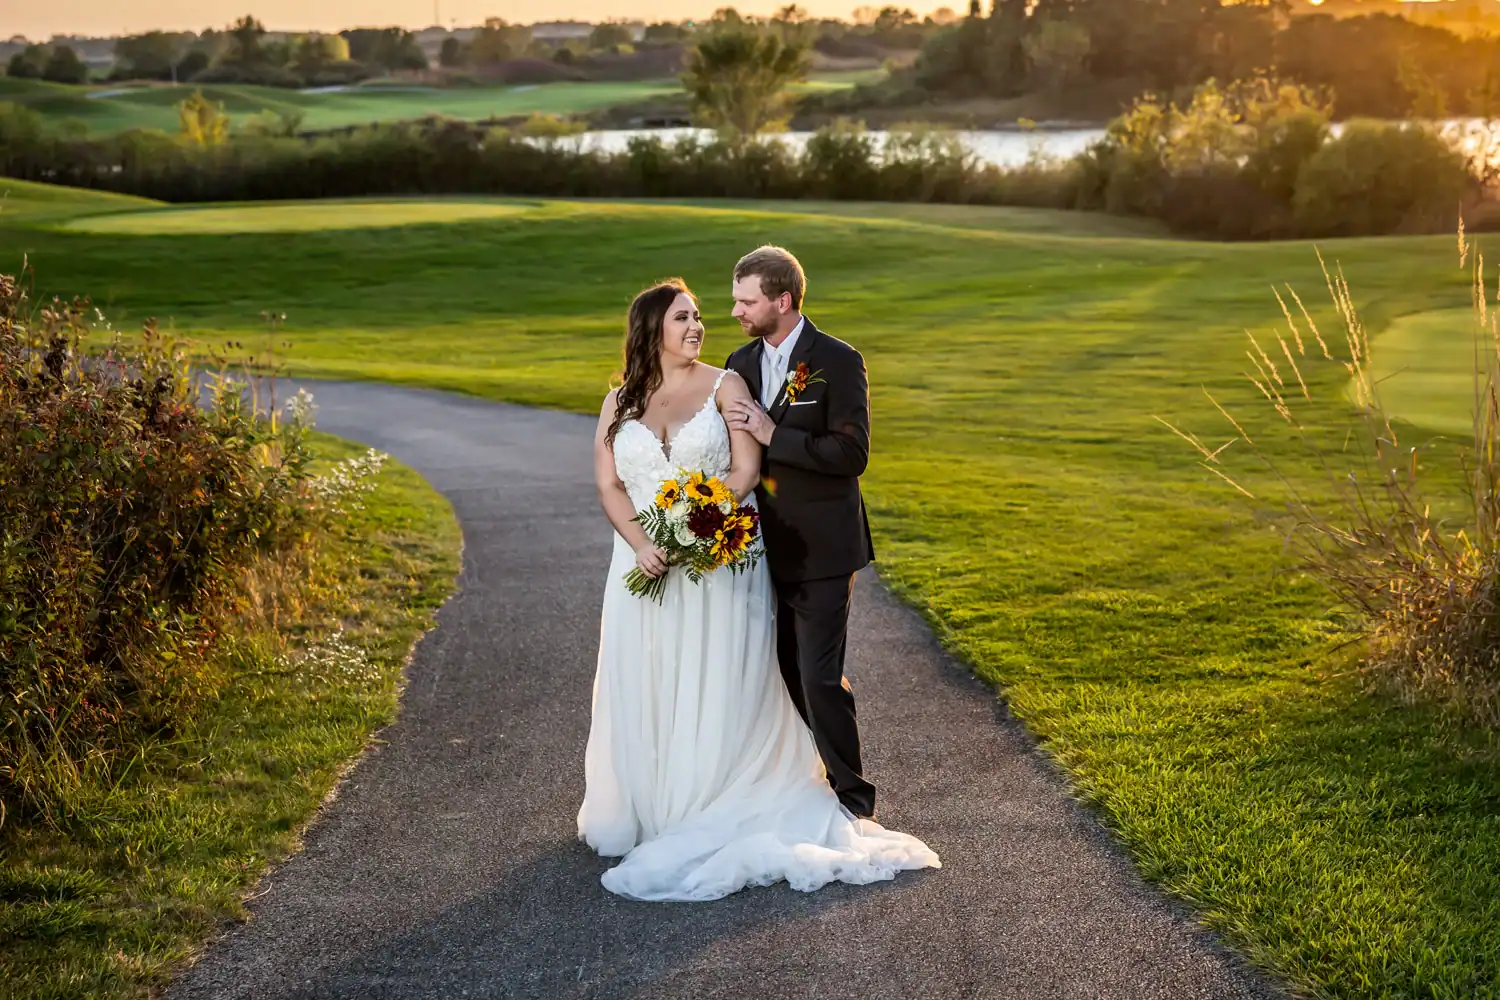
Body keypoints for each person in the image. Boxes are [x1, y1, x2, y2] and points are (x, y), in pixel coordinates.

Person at [577, 274, 938, 902]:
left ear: (783, 299)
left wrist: (702, 523)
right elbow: (610, 485)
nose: (703, 324)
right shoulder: (625, 399)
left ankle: (841, 798)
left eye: (712, 312)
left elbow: (750, 468)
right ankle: (658, 803)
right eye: (684, 318)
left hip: (731, 552)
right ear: (650, 330)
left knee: (765, 676)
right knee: (653, 676)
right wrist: (643, 540)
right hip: (642, 562)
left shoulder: (757, 374)